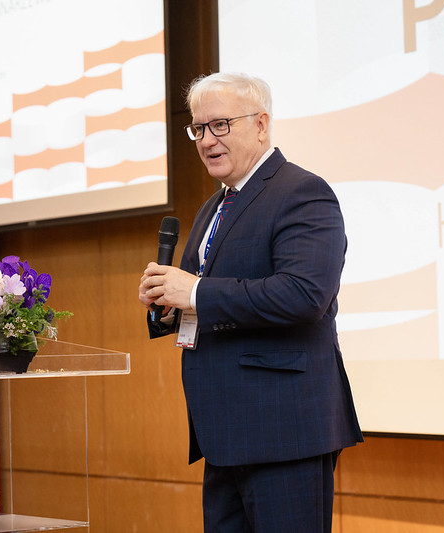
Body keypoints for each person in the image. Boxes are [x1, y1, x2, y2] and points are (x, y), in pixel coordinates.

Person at [139, 72, 362, 532]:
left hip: (284, 432)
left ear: (261, 124)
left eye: (220, 125)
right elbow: (207, 299)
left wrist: (193, 292)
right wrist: (170, 303)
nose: (206, 140)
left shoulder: (302, 192)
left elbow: (303, 295)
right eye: (198, 128)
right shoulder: (214, 207)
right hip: (223, 434)